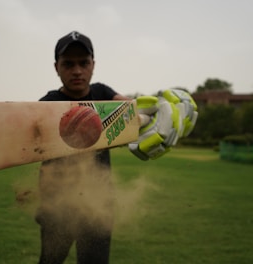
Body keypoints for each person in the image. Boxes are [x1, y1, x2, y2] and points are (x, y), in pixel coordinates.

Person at [36, 31, 198, 264]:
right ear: (56, 67)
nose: (77, 70)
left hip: (99, 203)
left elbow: (131, 111)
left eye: (84, 62)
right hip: (57, 206)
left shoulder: (102, 93)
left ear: (93, 64)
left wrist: (162, 115)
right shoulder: (48, 103)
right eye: (68, 64)